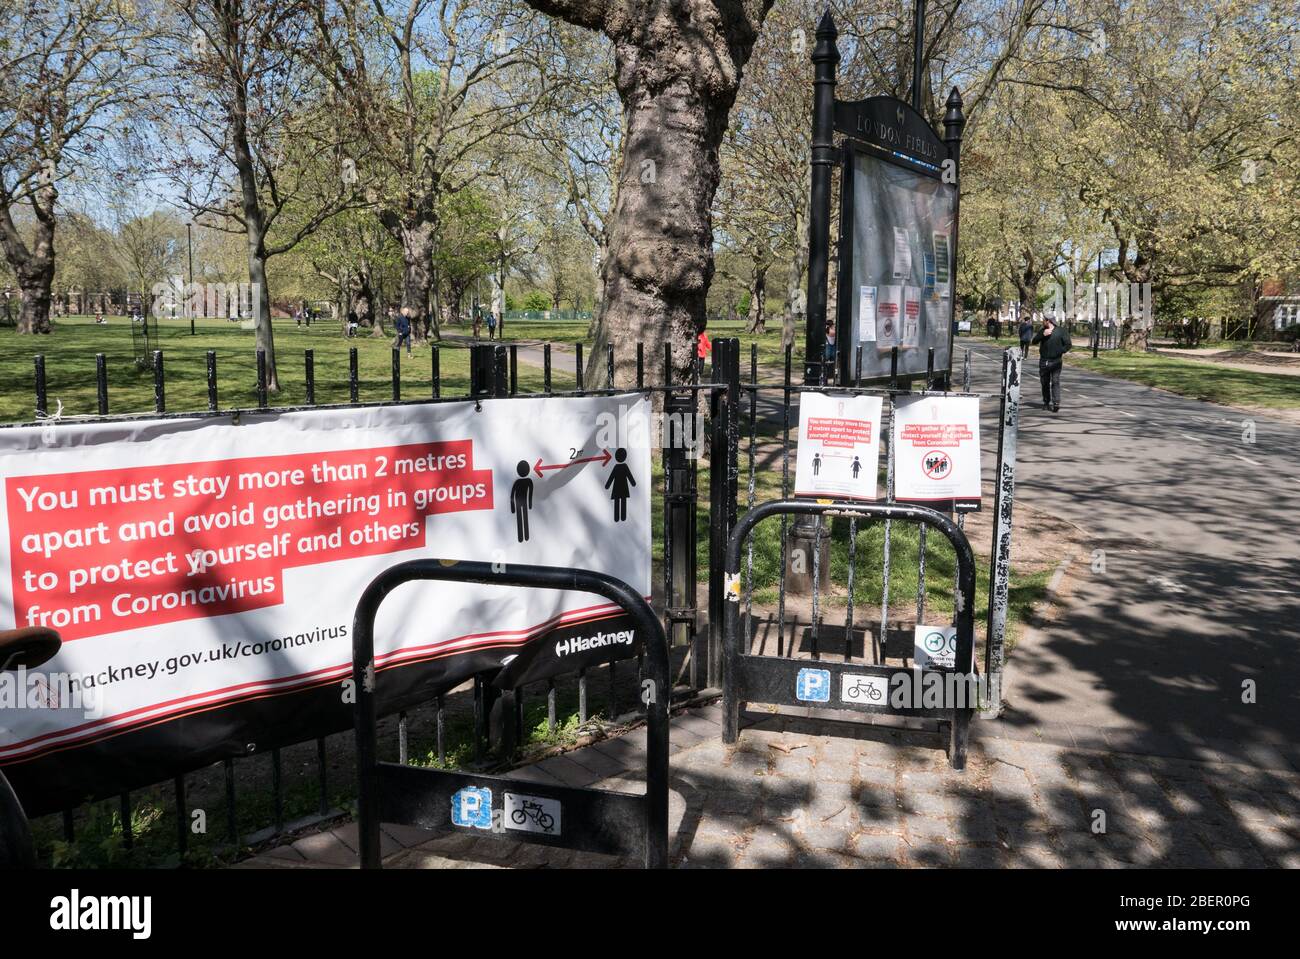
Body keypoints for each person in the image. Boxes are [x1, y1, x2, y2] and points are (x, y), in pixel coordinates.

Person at [1031, 314, 1072, 412]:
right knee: (1044, 382)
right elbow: (1034, 341)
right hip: (1044, 361)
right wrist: (1042, 335)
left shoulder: (1061, 331)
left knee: (1055, 381)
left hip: (1056, 361)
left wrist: (1059, 351)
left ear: (1048, 321)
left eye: (1044, 320)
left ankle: (1056, 402)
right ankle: (1046, 401)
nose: (1042, 322)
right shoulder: (1043, 330)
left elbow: (1068, 344)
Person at [605, 448, 636, 522]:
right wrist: (633, 483)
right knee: (623, 502)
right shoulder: (625, 467)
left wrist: (607, 485)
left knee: (617, 503)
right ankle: (623, 517)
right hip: (624, 488)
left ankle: (616, 518)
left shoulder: (616, 467)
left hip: (616, 488)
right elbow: (629, 476)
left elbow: (611, 477)